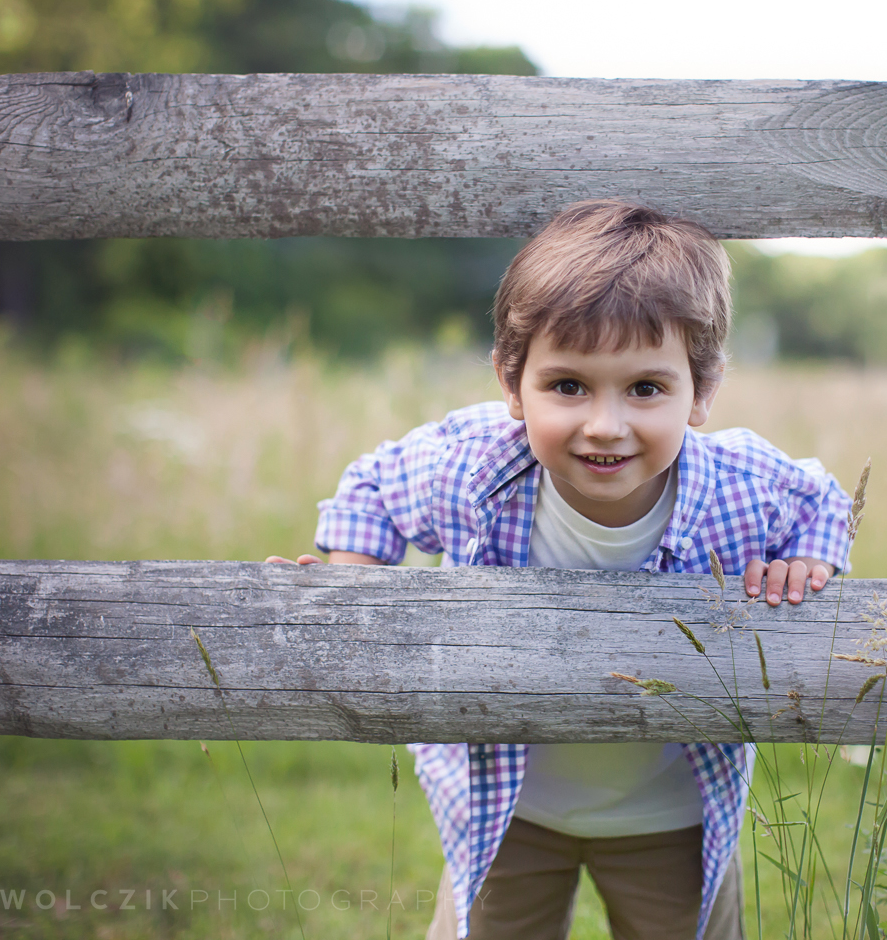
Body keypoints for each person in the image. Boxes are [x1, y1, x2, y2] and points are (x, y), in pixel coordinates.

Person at [269, 200, 853, 940]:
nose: (604, 425)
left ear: (701, 392)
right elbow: (372, 488)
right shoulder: (470, 464)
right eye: (568, 385)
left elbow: (823, 500)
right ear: (512, 384)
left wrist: (807, 557)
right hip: (506, 808)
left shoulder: (742, 484)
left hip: (671, 810)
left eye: (645, 388)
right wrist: (354, 583)